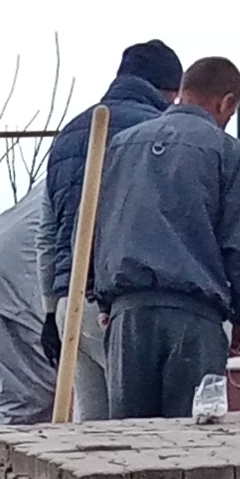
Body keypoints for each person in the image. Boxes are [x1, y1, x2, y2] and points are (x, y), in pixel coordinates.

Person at [74, 51, 240, 418]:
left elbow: (94, 226)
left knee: (128, 448)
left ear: (182, 91)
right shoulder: (227, 151)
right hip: (195, 318)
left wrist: (102, 301)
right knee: (187, 449)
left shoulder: (120, 145)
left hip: (127, 316)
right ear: (227, 102)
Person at [35, 39, 177, 419]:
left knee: (92, 442)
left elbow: (48, 234)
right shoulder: (158, 133)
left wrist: (51, 311)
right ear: (169, 90)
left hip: (71, 307)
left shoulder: (69, 133)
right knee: (141, 439)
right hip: (120, 305)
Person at [0, 172, 58, 426]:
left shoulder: (76, 159)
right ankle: (11, 465)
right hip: (22, 272)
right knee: (32, 398)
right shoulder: (113, 165)